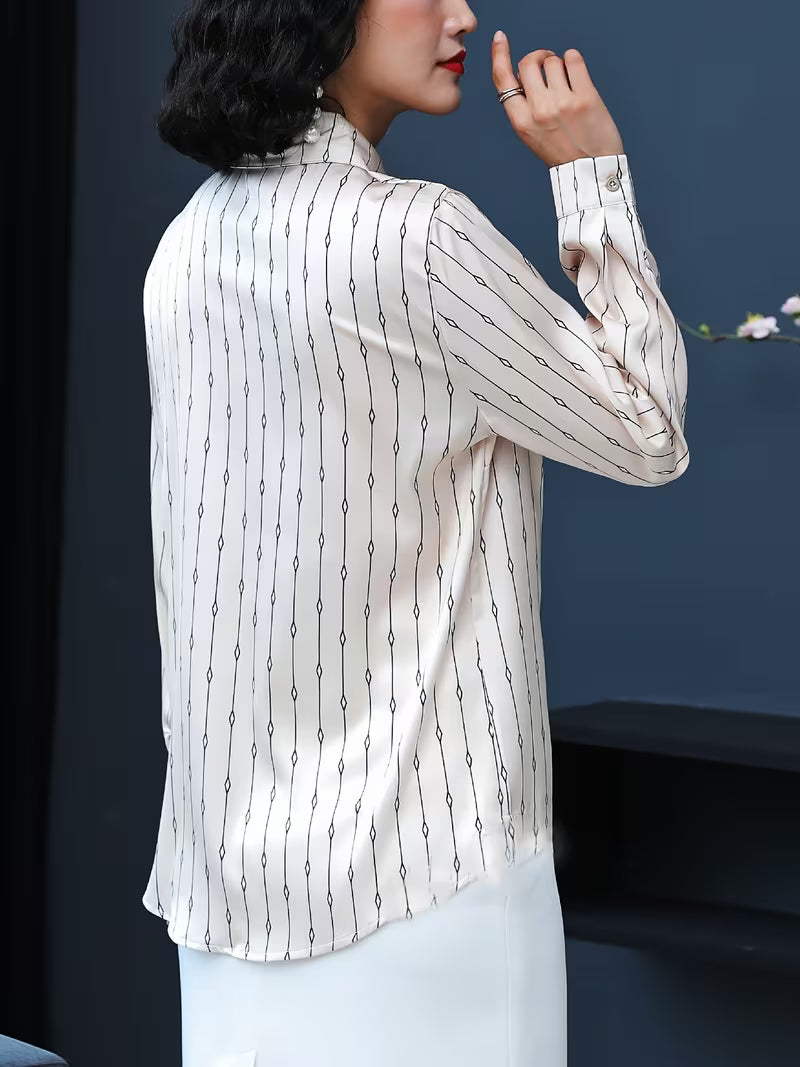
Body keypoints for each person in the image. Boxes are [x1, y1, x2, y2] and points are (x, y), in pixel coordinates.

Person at [141, 1, 690, 1064]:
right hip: (424, 871)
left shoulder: (188, 243)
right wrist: (592, 176)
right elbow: (648, 432)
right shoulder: (415, 238)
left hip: (228, 883)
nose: (461, 13)